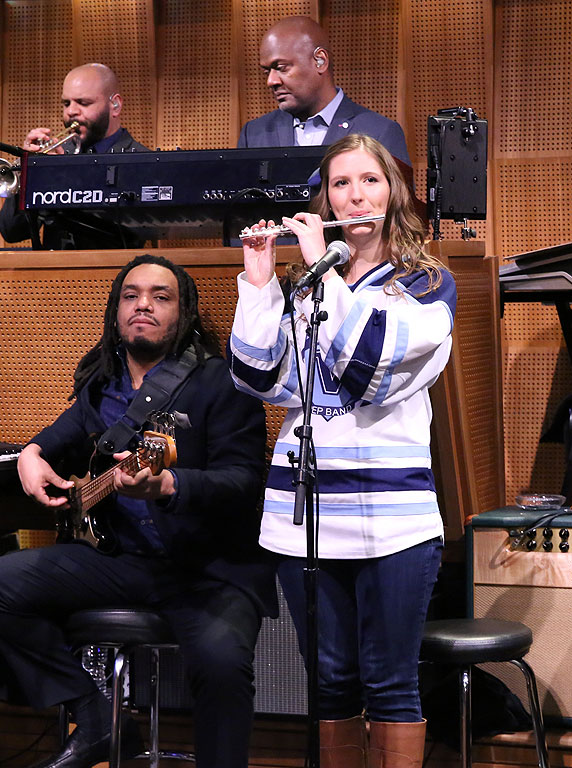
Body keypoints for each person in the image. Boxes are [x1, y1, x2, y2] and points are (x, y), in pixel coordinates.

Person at [0, 254, 275, 768]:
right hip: (123, 563)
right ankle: (95, 718)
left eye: (160, 296)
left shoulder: (223, 382)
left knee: (222, 669)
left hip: (210, 572)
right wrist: (32, 454)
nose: (144, 306)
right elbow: (57, 436)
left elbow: (244, 482)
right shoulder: (101, 384)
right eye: (131, 296)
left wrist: (169, 484)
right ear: (116, 311)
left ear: (185, 313)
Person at [228, 133, 453, 768]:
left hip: (394, 523)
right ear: (324, 196)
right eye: (340, 184)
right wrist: (261, 282)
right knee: (328, 682)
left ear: (394, 193)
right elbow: (259, 377)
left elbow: (366, 368)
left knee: (389, 682)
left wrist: (320, 273)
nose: (354, 196)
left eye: (369, 182)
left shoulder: (428, 285)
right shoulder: (306, 291)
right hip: (306, 518)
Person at [0, 63, 149, 250]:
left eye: (83, 103)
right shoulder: (58, 155)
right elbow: (11, 232)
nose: (71, 111)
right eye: (66, 103)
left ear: (115, 105)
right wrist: (30, 174)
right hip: (55, 276)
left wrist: (66, 176)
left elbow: (127, 232)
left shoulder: (141, 160)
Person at [238, 17, 411, 165]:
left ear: (320, 61)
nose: (271, 81)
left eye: (282, 68)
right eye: (267, 72)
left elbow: (399, 203)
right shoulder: (253, 134)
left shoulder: (379, 132)